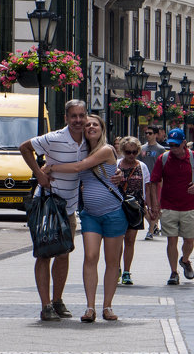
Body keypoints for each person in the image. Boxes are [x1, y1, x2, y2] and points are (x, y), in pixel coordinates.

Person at [43, 114, 124, 323]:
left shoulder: (106, 149)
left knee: (112, 261)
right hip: (90, 214)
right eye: (87, 125)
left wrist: (51, 168)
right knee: (90, 257)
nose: (90, 127)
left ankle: (107, 306)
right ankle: (90, 307)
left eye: (94, 124)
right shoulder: (81, 151)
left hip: (114, 212)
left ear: (102, 128)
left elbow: (79, 168)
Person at [19, 99, 88, 321]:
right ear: (66, 118)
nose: (78, 120)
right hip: (48, 205)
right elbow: (24, 147)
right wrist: (39, 174)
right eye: (73, 116)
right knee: (44, 253)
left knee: (64, 252)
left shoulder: (90, 140)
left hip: (69, 208)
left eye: (81, 116)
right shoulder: (54, 137)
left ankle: (57, 300)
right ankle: (45, 304)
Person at [148, 129, 194, 285]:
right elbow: (154, 181)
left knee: (189, 240)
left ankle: (185, 260)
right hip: (168, 206)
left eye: (175, 145)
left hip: (189, 206)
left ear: (183, 143)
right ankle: (174, 272)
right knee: (171, 240)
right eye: (170, 145)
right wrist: (155, 204)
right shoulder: (164, 158)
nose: (172, 148)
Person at [113, 136, 149, 285]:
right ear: (122, 151)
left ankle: (127, 271)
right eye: (128, 152)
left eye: (134, 152)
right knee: (117, 240)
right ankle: (116, 269)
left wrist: (148, 207)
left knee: (130, 239)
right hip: (118, 206)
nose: (131, 155)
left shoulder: (142, 166)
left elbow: (147, 187)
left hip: (135, 207)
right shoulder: (115, 165)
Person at [140, 125, 165, 240]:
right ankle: (153, 224)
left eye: (150, 133)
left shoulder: (160, 149)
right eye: (146, 133)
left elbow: (164, 166)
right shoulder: (142, 148)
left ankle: (150, 231)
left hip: (156, 181)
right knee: (143, 206)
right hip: (144, 181)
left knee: (155, 206)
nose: (147, 135)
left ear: (156, 134)